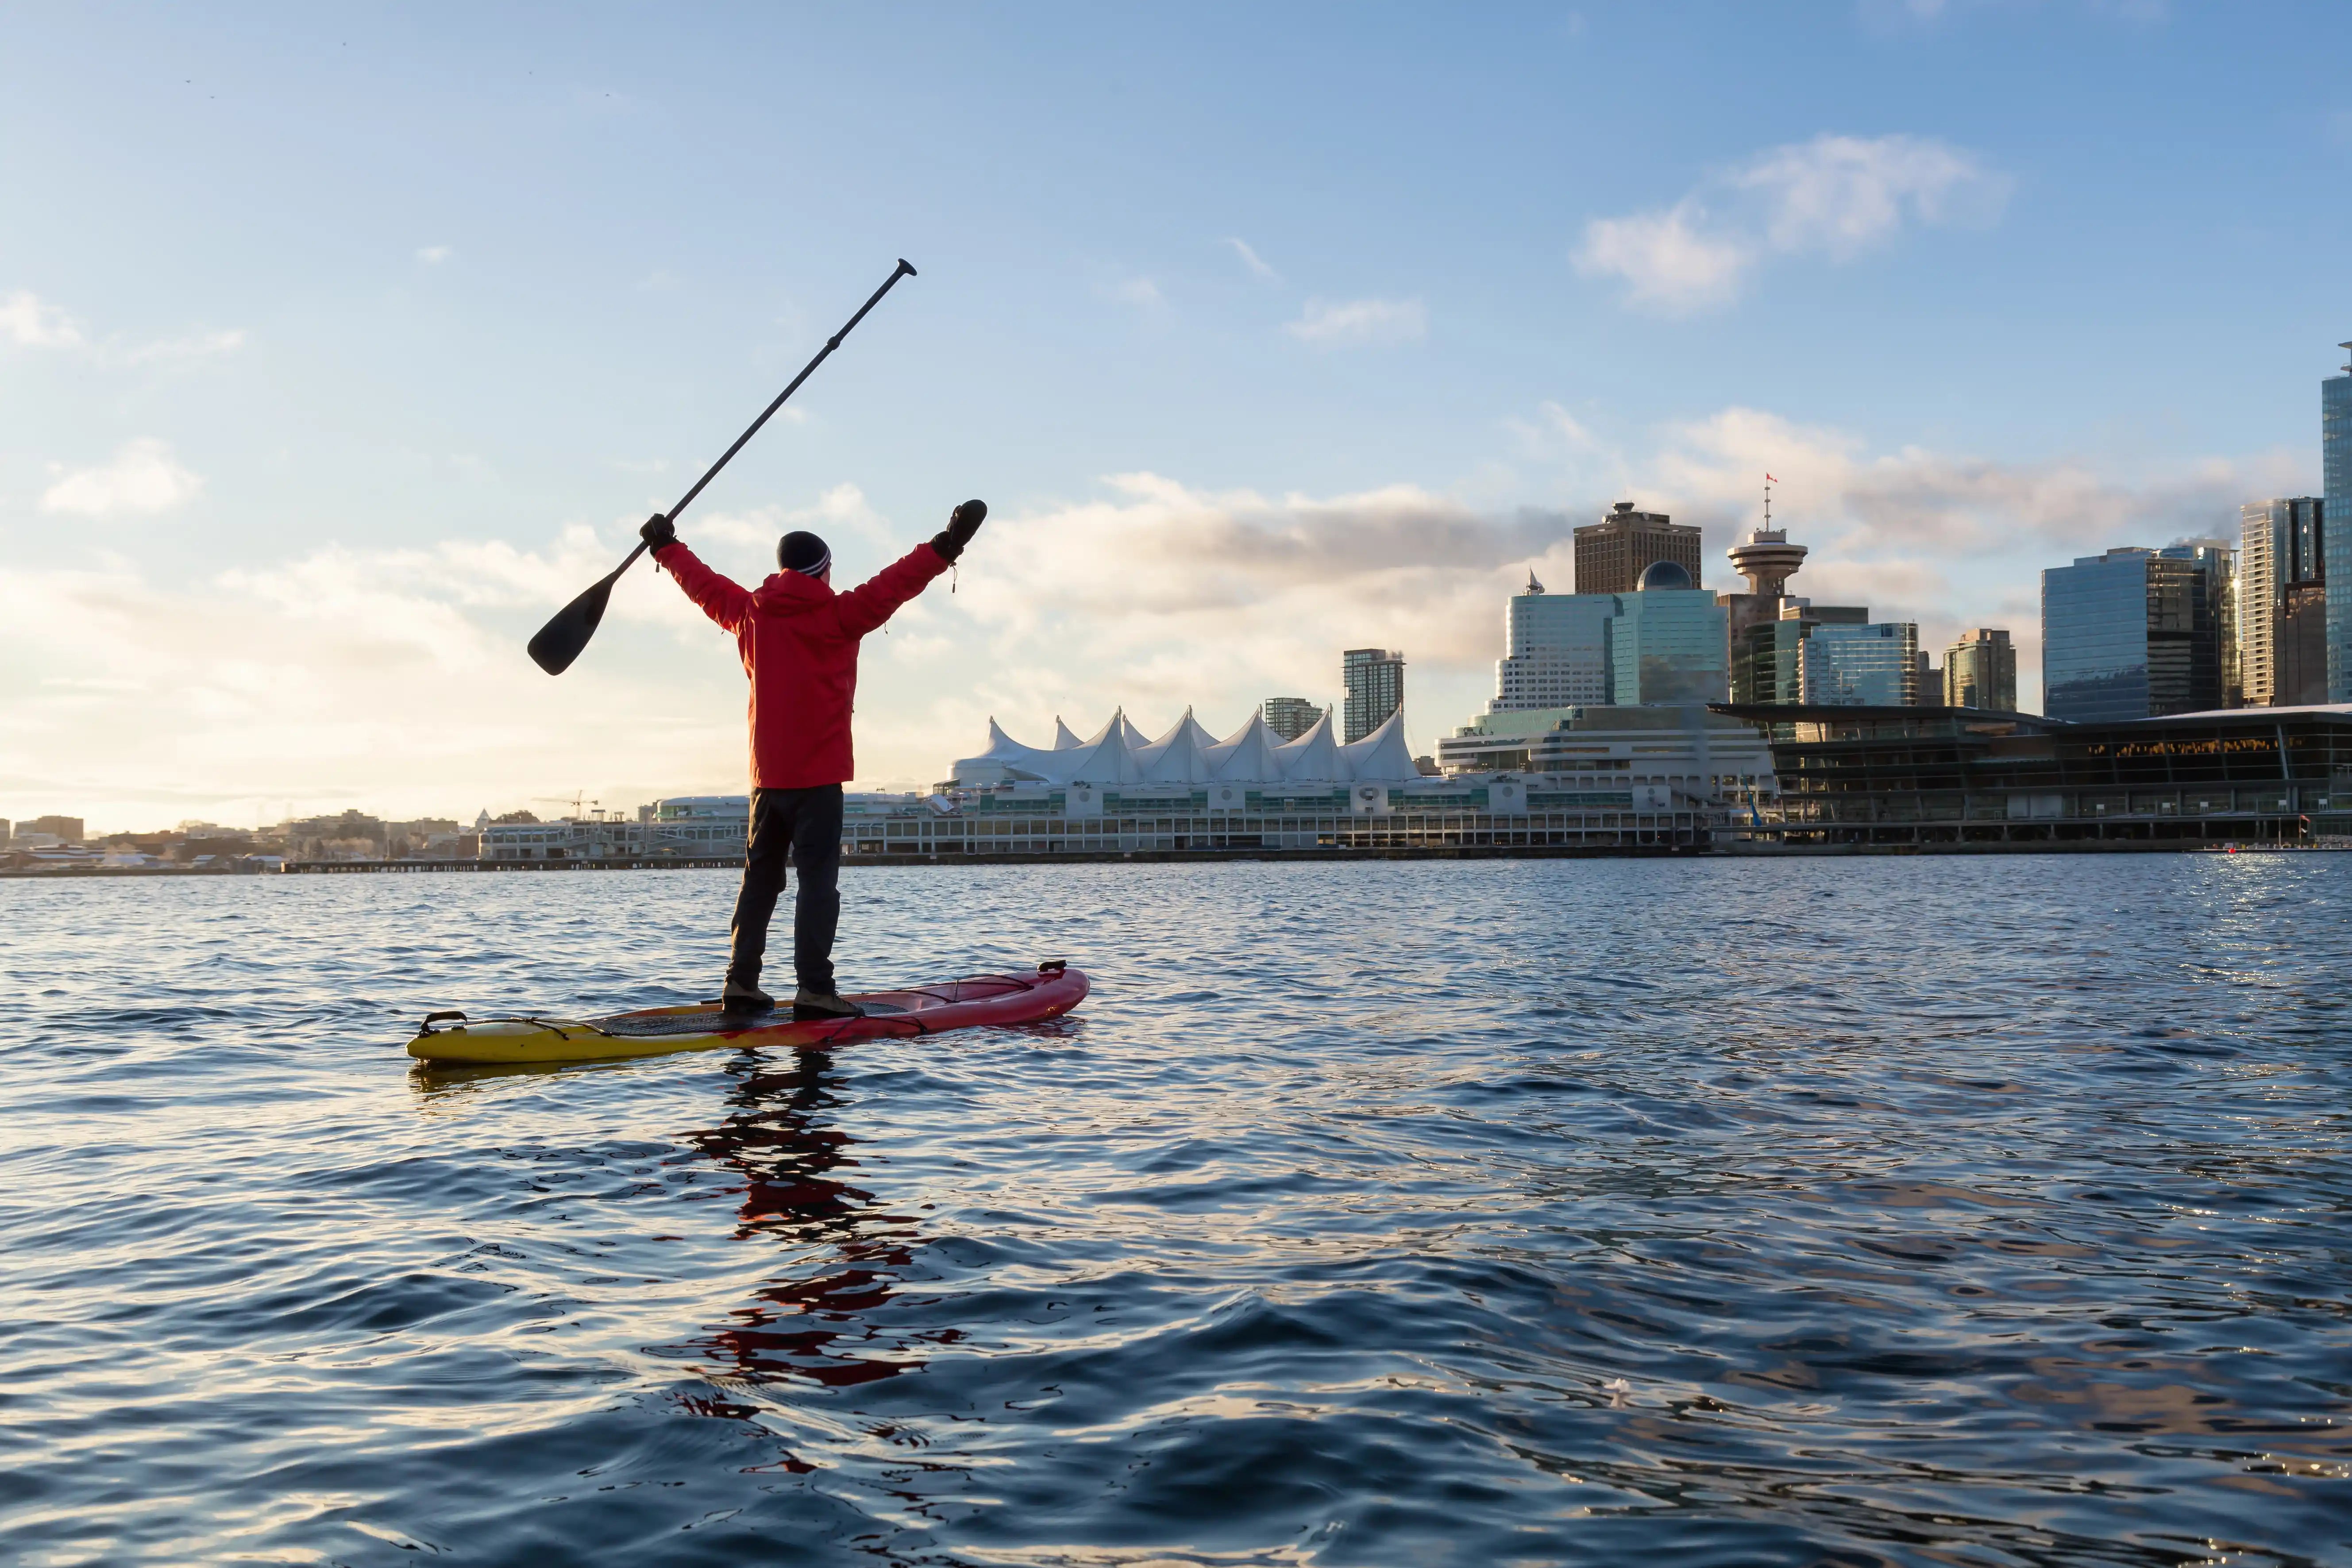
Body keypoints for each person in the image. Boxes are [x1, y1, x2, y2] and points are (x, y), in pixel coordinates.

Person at [640, 500, 986, 1018]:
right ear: (823, 570)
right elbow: (897, 582)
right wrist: (948, 543)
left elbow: (703, 584)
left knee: (759, 883)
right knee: (816, 885)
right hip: (819, 780)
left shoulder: (749, 612)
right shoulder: (839, 614)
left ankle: (740, 984)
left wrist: (665, 547)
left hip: (766, 780)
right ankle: (815, 991)